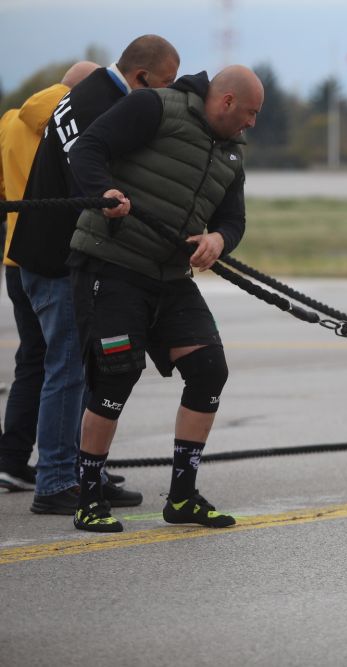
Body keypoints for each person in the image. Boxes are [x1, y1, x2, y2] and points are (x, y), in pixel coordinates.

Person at [64, 64, 264, 532]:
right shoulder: (153, 106)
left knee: (209, 369)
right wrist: (102, 191)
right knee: (115, 375)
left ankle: (182, 497)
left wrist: (219, 240)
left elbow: (233, 219)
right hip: (111, 264)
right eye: (251, 113)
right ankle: (89, 497)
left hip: (169, 278)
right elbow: (87, 148)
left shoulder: (233, 153)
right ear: (228, 102)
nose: (252, 124)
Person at [8, 36, 179, 514]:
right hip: (54, 260)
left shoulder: (86, 95)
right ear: (142, 78)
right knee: (67, 370)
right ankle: (58, 480)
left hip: (44, 254)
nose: (162, 98)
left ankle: (88, 472)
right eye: (162, 87)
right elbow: (85, 163)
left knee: (82, 368)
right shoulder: (102, 105)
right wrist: (112, 200)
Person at [0, 62, 99, 493]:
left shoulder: (9, 122)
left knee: (33, 361)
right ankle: (68, 466)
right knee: (70, 365)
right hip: (58, 257)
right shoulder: (78, 125)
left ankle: (11, 459)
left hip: (15, 260)